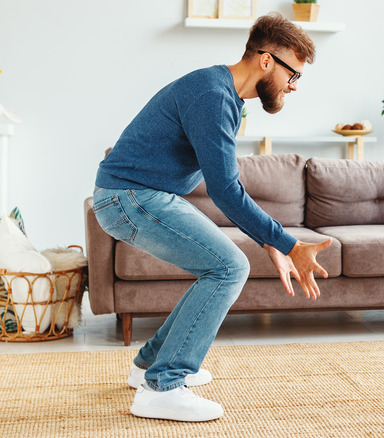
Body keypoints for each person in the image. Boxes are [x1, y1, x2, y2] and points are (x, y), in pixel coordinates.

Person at [92, 13, 331, 422]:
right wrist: (288, 243)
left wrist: (267, 240)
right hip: (129, 196)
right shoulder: (212, 95)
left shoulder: (224, 96)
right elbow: (225, 190)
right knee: (228, 267)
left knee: (222, 266)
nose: (293, 87)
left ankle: (150, 365)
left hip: (138, 194)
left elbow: (225, 182)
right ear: (267, 61)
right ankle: (163, 386)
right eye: (294, 75)